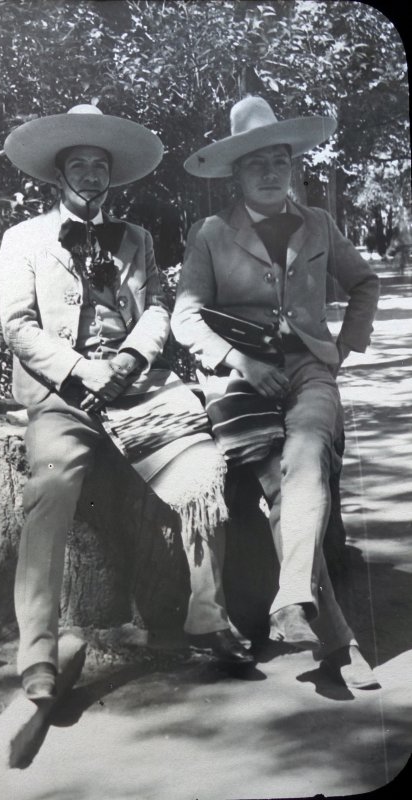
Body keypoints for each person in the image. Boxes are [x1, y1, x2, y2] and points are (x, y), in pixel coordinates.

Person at [0, 104, 253, 702]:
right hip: (65, 398)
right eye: (78, 164)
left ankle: (207, 614)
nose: (90, 174)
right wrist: (83, 369)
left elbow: (160, 307)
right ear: (57, 174)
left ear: (110, 176)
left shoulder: (136, 238)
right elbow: (17, 325)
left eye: (99, 165)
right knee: (52, 487)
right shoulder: (23, 239)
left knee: (205, 471)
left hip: (141, 390)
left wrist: (133, 359)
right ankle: (37, 654)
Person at [172, 96, 381, 689]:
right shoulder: (211, 234)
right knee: (277, 487)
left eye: (280, 161)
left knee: (309, 454)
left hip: (310, 370)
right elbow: (186, 318)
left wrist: (344, 345)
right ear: (236, 175)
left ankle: (294, 596)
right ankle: (338, 641)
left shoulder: (319, 224)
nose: (270, 172)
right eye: (256, 163)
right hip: (239, 381)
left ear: (293, 168)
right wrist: (237, 359)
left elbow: (363, 282)